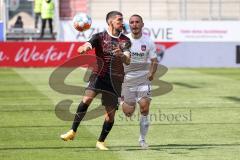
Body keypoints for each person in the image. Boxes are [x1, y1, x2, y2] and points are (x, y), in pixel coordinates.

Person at [60, 11, 131, 150]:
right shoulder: (99, 37)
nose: (122, 22)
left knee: (110, 116)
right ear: (110, 22)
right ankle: (72, 131)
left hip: (115, 80)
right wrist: (83, 48)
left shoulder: (125, 41)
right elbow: (87, 45)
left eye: (122, 20)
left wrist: (121, 54)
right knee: (86, 100)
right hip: (98, 75)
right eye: (119, 20)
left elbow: (128, 60)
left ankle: (100, 142)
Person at [121, 14, 158, 149]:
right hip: (127, 79)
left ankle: (142, 140)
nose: (135, 24)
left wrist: (151, 73)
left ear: (142, 24)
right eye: (132, 22)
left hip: (143, 78)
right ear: (129, 25)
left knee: (144, 107)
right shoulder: (124, 41)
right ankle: (126, 101)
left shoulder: (148, 42)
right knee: (128, 112)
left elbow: (154, 61)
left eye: (137, 22)